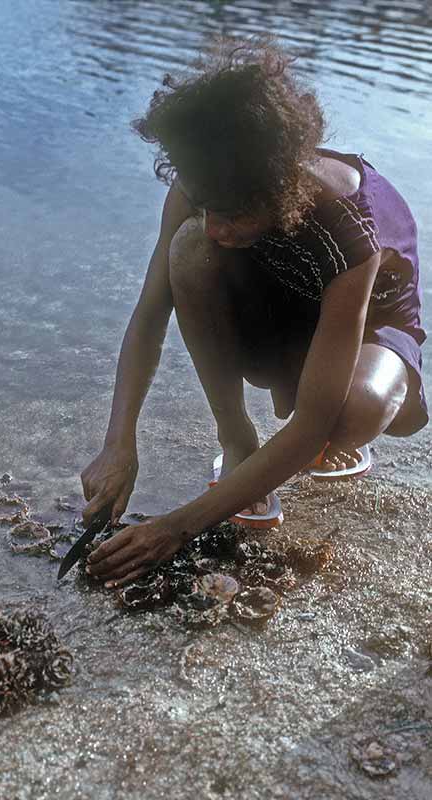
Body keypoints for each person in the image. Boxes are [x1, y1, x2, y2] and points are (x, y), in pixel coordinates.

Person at [82, 37, 428, 588]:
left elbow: (314, 417)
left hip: (367, 328)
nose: (216, 226)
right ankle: (237, 440)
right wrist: (118, 441)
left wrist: (178, 527)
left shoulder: (349, 229)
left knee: (343, 417)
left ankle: (320, 445)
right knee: (188, 251)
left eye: (231, 214)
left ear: (281, 188)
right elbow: (151, 312)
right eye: (210, 207)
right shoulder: (208, 182)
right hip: (286, 302)